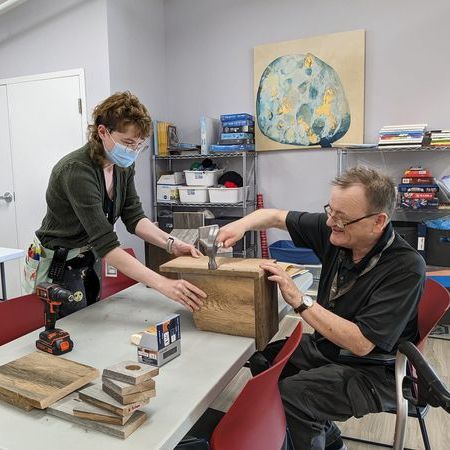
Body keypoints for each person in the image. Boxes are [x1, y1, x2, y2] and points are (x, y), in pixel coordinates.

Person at [217, 167, 426, 450]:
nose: (331, 222)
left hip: (375, 371)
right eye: (330, 211)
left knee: (294, 395)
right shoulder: (337, 232)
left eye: (342, 218)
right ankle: (328, 439)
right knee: (265, 361)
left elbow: (362, 343)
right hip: (328, 347)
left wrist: (300, 300)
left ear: (378, 221)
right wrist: (238, 227)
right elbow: (275, 216)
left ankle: (311, 433)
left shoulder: (405, 267)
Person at [24, 91, 206, 316]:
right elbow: (107, 244)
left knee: (91, 319)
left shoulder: (123, 166)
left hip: (88, 257)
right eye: (127, 142)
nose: (132, 151)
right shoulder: (76, 171)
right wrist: (162, 283)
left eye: (139, 145)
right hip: (59, 263)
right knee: (64, 328)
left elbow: (134, 217)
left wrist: (171, 244)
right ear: (103, 132)